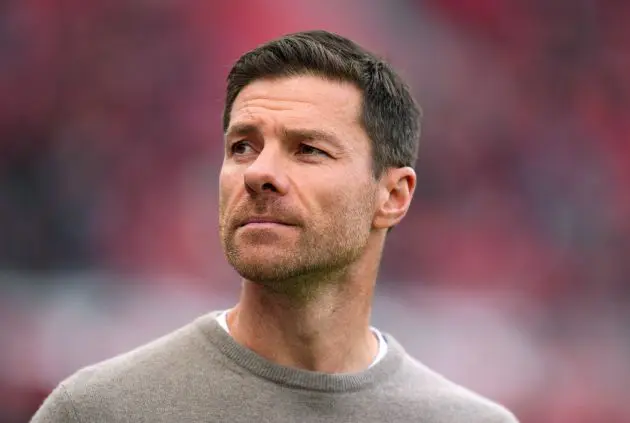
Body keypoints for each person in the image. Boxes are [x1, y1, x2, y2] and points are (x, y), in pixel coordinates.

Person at [31, 30, 518, 423]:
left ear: (392, 196)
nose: (259, 172)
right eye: (242, 146)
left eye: (309, 149)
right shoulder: (100, 411)